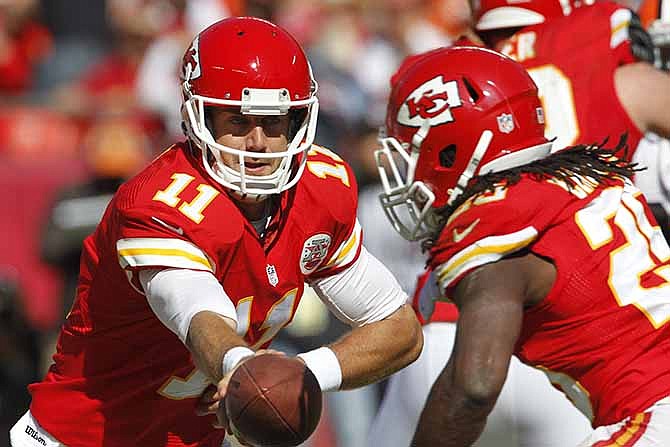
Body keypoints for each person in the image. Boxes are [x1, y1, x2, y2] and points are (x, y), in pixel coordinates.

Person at [9, 17, 422, 447]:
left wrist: (305, 372)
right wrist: (241, 365)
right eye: (238, 121)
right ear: (196, 116)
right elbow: (196, 313)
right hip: (81, 438)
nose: (258, 142)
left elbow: (399, 328)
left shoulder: (319, 188)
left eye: (275, 121)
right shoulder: (158, 203)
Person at [377, 45, 670, 446]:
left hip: (652, 412)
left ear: (450, 149)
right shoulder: (586, 176)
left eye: (412, 149)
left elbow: (473, 387)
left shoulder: (493, 222)